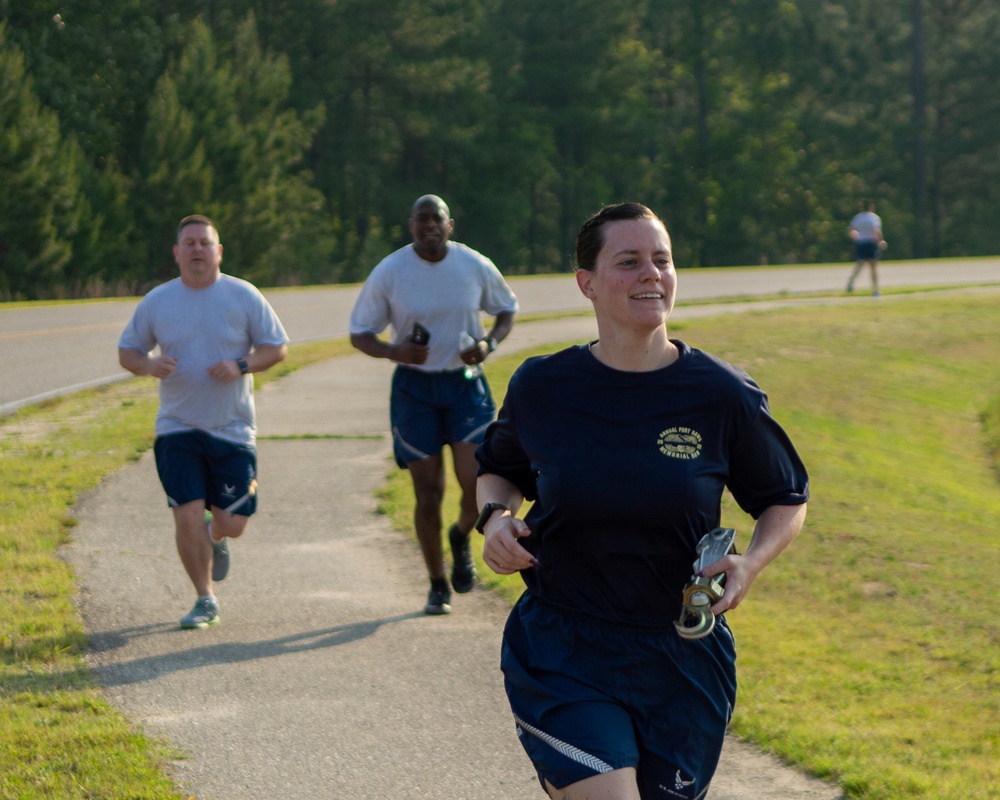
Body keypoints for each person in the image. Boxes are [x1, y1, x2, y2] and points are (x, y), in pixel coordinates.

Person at [475, 202, 809, 799]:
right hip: (564, 645)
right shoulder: (543, 387)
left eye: (662, 260)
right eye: (628, 262)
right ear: (588, 283)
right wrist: (495, 519)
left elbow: (785, 497)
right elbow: (498, 471)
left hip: (682, 655)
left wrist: (751, 562)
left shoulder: (720, 394)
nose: (650, 274)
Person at [349, 194, 518, 616]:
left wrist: (488, 343)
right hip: (415, 390)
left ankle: (460, 535)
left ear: (450, 225)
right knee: (427, 490)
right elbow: (359, 332)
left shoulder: (472, 264)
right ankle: (437, 583)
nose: (429, 226)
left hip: (464, 387)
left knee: (475, 484)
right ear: (411, 226)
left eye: (436, 219)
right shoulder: (391, 271)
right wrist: (394, 352)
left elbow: (506, 309)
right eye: (421, 219)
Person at [118, 215, 289, 629]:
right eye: (189, 243)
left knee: (234, 523)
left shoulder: (243, 295)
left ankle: (217, 535)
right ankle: (204, 598)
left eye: (205, 243)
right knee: (186, 512)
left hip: (232, 429)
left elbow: (278, 348)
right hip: (177, 427)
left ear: (219, 252)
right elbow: (128, 351)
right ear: (177, 253)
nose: (197, 250)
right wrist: (150, 365)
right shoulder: (159, 301)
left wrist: (241, 364)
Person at [846, 200, 887, 296]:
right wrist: (881, 241)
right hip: (871, 242)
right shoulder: (874, 218)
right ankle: (875, 289)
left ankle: (851, 283)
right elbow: (876, 230)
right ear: (871, 207)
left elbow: (850, 229)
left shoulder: (858, 217)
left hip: (861, 242)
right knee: (873, 266)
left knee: (859, 265)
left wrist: (855, 236)